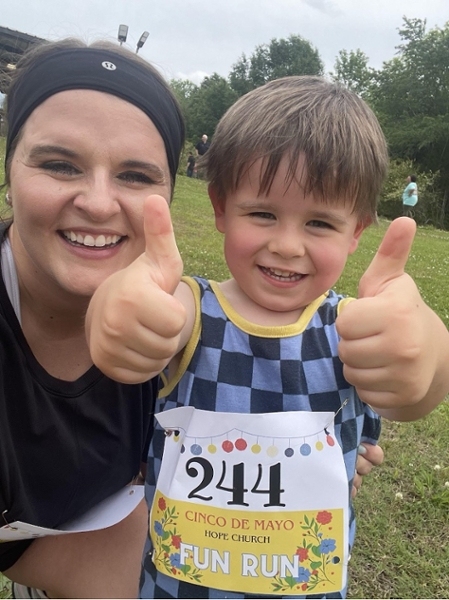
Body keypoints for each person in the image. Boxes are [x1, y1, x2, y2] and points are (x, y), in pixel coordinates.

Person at [87, 76, 449, 599]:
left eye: (320, 223)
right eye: (262, 214)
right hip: (181, 586)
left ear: (357, 232)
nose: (286, 245)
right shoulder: (193, 310)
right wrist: (117, 312)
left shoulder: (356, 329)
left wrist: (427, 349)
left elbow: (424, 380)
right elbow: (135, 310)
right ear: (219, 208)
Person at [0, 37, 185, 599]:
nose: (100, 203)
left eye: (135, 176)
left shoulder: (184, 322)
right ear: (10, 169)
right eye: (60, 164)